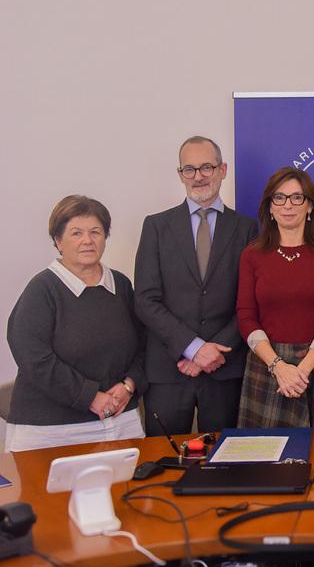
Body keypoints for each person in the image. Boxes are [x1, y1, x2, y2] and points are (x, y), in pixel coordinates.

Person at [135, 136, 258, 435]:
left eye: (207, 167)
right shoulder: (156, 226)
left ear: (222, 170)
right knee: (163, 457)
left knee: (223, 457)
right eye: (189, 169)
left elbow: (250, 301)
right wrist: (193, 349)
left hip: (224, 369)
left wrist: (211, 353)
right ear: (180, 175)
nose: (198, 176)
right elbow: (146, 300)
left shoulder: (247, 229)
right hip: (168, 370)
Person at [5, 196, 147, 451]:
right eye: (76, 233)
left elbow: (145, 342)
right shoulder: (42, 289)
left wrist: (130, 385)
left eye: (95, 232)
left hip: (119, 421)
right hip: (50, 430)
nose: (87, 240)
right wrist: (89, 396)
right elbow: (33, 357)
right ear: (58, 241)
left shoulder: (121, 285)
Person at [236, 167, 314, 428]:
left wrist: (302, 370)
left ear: (310, 206)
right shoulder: (252, 255)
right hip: (267, 366)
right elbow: (246, 316)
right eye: (279, 198)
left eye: (297, 197)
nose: (288, 205)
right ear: (270, 208)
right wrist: (278, 367)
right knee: (264, 452)